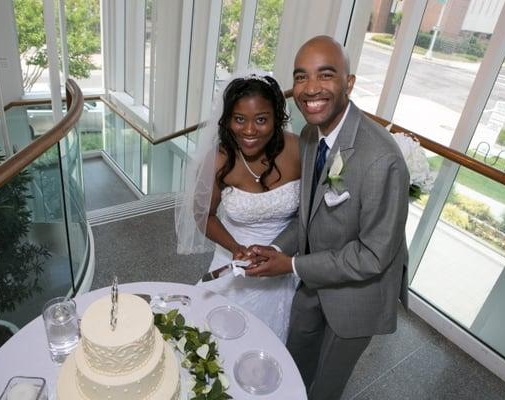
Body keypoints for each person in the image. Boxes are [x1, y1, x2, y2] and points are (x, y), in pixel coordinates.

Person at [245, 36, 410, 399]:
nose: (311, 88)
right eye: (301, 77)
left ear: (348, 83)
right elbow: (309, 213)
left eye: (326, 75)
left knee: (326, 388)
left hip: (357, 296)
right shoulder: (308, 136)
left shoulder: (382, 160)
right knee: (293, 362)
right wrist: (275, 248)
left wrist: (291, 266)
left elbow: (373, 256)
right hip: (312, 281)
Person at [175, 72, 301, 341]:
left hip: (282, 263)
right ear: (228, 120)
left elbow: (310, 214)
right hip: (233, 260)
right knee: (215, 338)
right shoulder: (220, 158)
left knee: (270, 341)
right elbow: (203, 215)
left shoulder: (297, 150)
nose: (250, 130)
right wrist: (236, 249)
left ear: (277, 118)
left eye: (261, 119)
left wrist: (282, 250)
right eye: (239, 119)